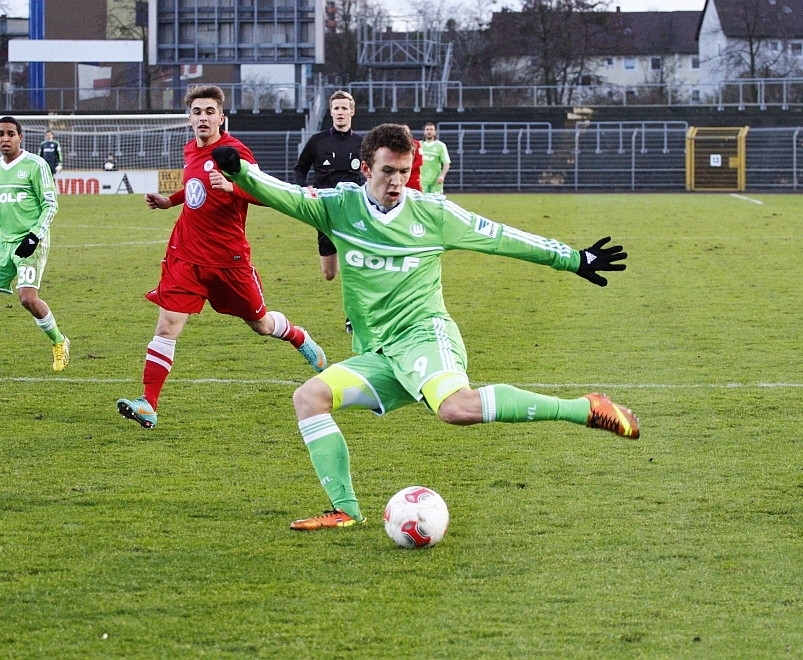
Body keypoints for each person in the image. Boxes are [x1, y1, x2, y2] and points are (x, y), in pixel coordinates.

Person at [210, 123, 637, 531]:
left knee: (455, 408)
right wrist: (240, 171)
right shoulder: (337, 207)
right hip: (380, 352)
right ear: (366, 168)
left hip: (424, 335)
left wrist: (573, 259)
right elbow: (282, 194)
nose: (397, 181)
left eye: (404, 171)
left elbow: (501, 237)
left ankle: (584, 408)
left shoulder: (433, 213)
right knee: (309, 397)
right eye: (387, 171)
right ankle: (345, 511)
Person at [115, 85, 328, 430]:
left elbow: (267, 193)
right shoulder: (190, 149)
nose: (203, 118)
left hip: (228, 261)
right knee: (168, 325)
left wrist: (233, 187)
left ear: (221, 118)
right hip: (186, 254)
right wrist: (170, 201)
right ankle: (148, 404)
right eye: (197, 112)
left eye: (209, 112)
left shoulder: (234, 152)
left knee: (260, 325)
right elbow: (196, 187)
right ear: (190, 119)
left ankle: (297, 336)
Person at [0, 116, 69, 376]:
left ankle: (59, 341)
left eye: (10, 134)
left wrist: (34, 237)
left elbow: (50, 205)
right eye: (0, 134)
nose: (5, 138)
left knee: (27, 298)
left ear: (20, 137)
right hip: (4, 242)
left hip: (30, 241)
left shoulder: (36, 165)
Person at [293, 90, 364, 283]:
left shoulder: (361, 143)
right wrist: (303, 188)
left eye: (344, 108)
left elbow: (373, 171)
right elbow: (300, 169)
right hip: (325, 210)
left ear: (352, 112)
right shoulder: (318, 141)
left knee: (355, 267)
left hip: (352, 208)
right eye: (336, 108)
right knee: (329, 274)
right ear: (331, 112)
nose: (340, 112)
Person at [420, 122, 451, 194]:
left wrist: (442, 176)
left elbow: (446, 163)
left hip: (435, 181)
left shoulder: (441, 146)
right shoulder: (419, 145)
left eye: (431, 129)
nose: (429, 131)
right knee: (421, 200)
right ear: (424, 132)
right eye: (427, 129)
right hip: (422, 180)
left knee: (435, 200)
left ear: (435, 132)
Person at [404, 126, 423, 192]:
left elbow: (420, 161)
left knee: (416, 195)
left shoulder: (416, 144)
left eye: (406, 131)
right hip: (401, 176)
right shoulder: (396, 145)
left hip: (413, 177)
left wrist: (408, 168)